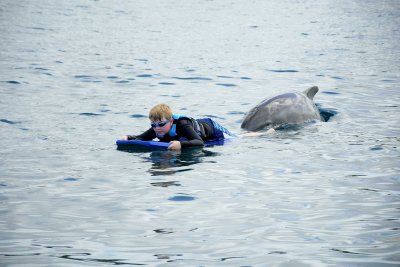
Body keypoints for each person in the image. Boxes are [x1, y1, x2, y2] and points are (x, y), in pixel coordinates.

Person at [121, 103, 235, 150]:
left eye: (161, 124)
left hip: (213, 129)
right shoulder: (157, 128)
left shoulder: (182, 124)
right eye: (153, 125)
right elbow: (142, 138)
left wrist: (180, 144)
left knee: (237, 138)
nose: (157, 128)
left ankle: (252, 134)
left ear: (171, 121)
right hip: (194, 134)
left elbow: (199, 142)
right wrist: (128, 137)